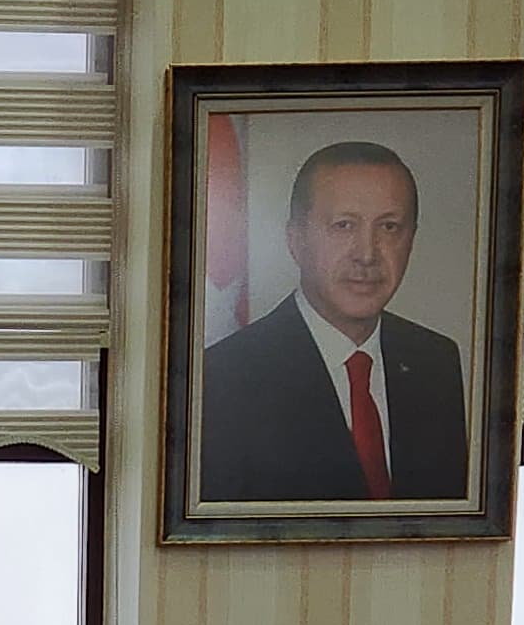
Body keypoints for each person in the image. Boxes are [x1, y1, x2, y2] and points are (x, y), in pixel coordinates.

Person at [194, 137, 469, 506]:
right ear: (295, 239)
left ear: (411, 239)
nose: (367, 254)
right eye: (344, 226)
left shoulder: (435, 361)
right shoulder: (224, 378)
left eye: (389, 227)